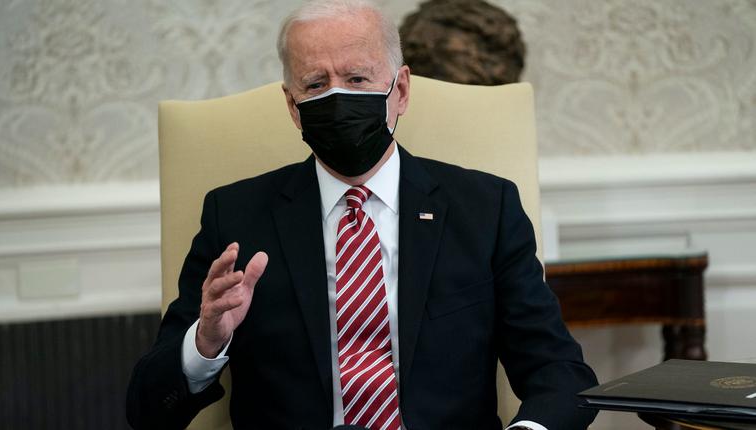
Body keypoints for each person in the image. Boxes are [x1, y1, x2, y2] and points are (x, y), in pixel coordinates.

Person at [126, 1, 598, 429]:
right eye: (315, 84)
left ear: (401, 90)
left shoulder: (484, 209)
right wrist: (204, 345)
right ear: (293, 107)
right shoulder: (234, 216)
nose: (337, 97)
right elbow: (145, 409)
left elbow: (559, 374)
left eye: (357, 79)